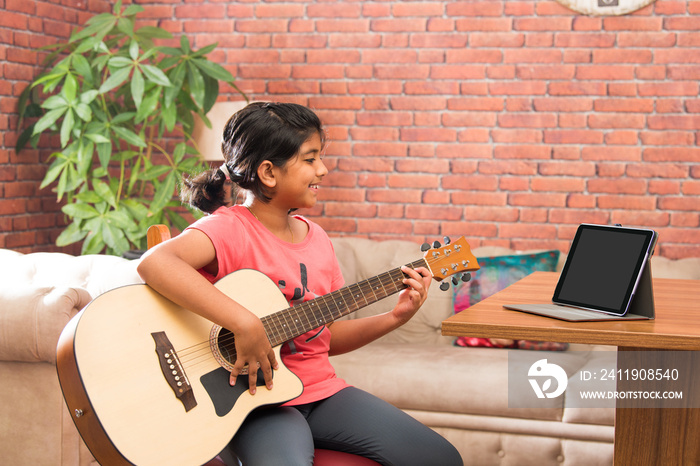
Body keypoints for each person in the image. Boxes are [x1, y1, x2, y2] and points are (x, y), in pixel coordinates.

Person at [137, 102, 463, 466]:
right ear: (268, 173)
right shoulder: (229, 228)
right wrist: (244, 323)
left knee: (440, 458)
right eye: (310, 160)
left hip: (321, 392)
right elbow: (155, 263)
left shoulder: (319, 239)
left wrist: (394, 318)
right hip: (254, 400)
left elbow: (326, 338)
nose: (322, 170)